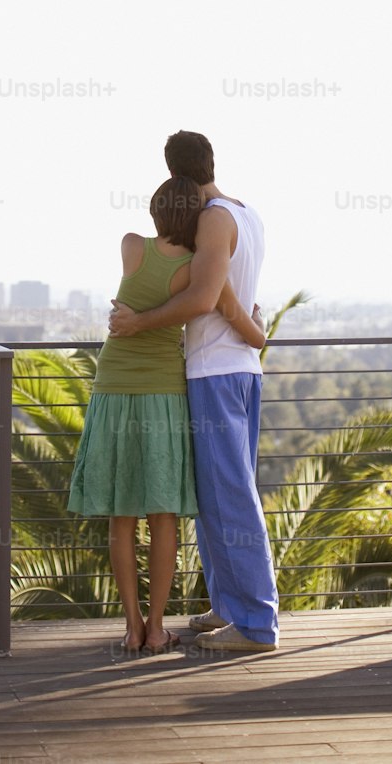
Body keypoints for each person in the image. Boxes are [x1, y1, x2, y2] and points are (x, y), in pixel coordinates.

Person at [68, 175, 265, 655]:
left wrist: (132, 319)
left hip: (114, 385)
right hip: (167, 389)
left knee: (121, 515)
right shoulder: (201, 264)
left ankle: (133, 627)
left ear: (154, 214)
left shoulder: (130, 245)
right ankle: (158, 628)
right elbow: (214, 302)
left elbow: (146, 291)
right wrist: (258, 332)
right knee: (164, 517)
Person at [108, 130, 280, 653]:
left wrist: (138, 323)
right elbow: (230, 299)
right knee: (217, 496)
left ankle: (255, 624)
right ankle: (230, 607)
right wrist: (255, 333)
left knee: (230, 496)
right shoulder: (246, 212)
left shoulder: (211, 218)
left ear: (173, 172)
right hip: (242, 369)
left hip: (215, 373)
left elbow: (205, 298)